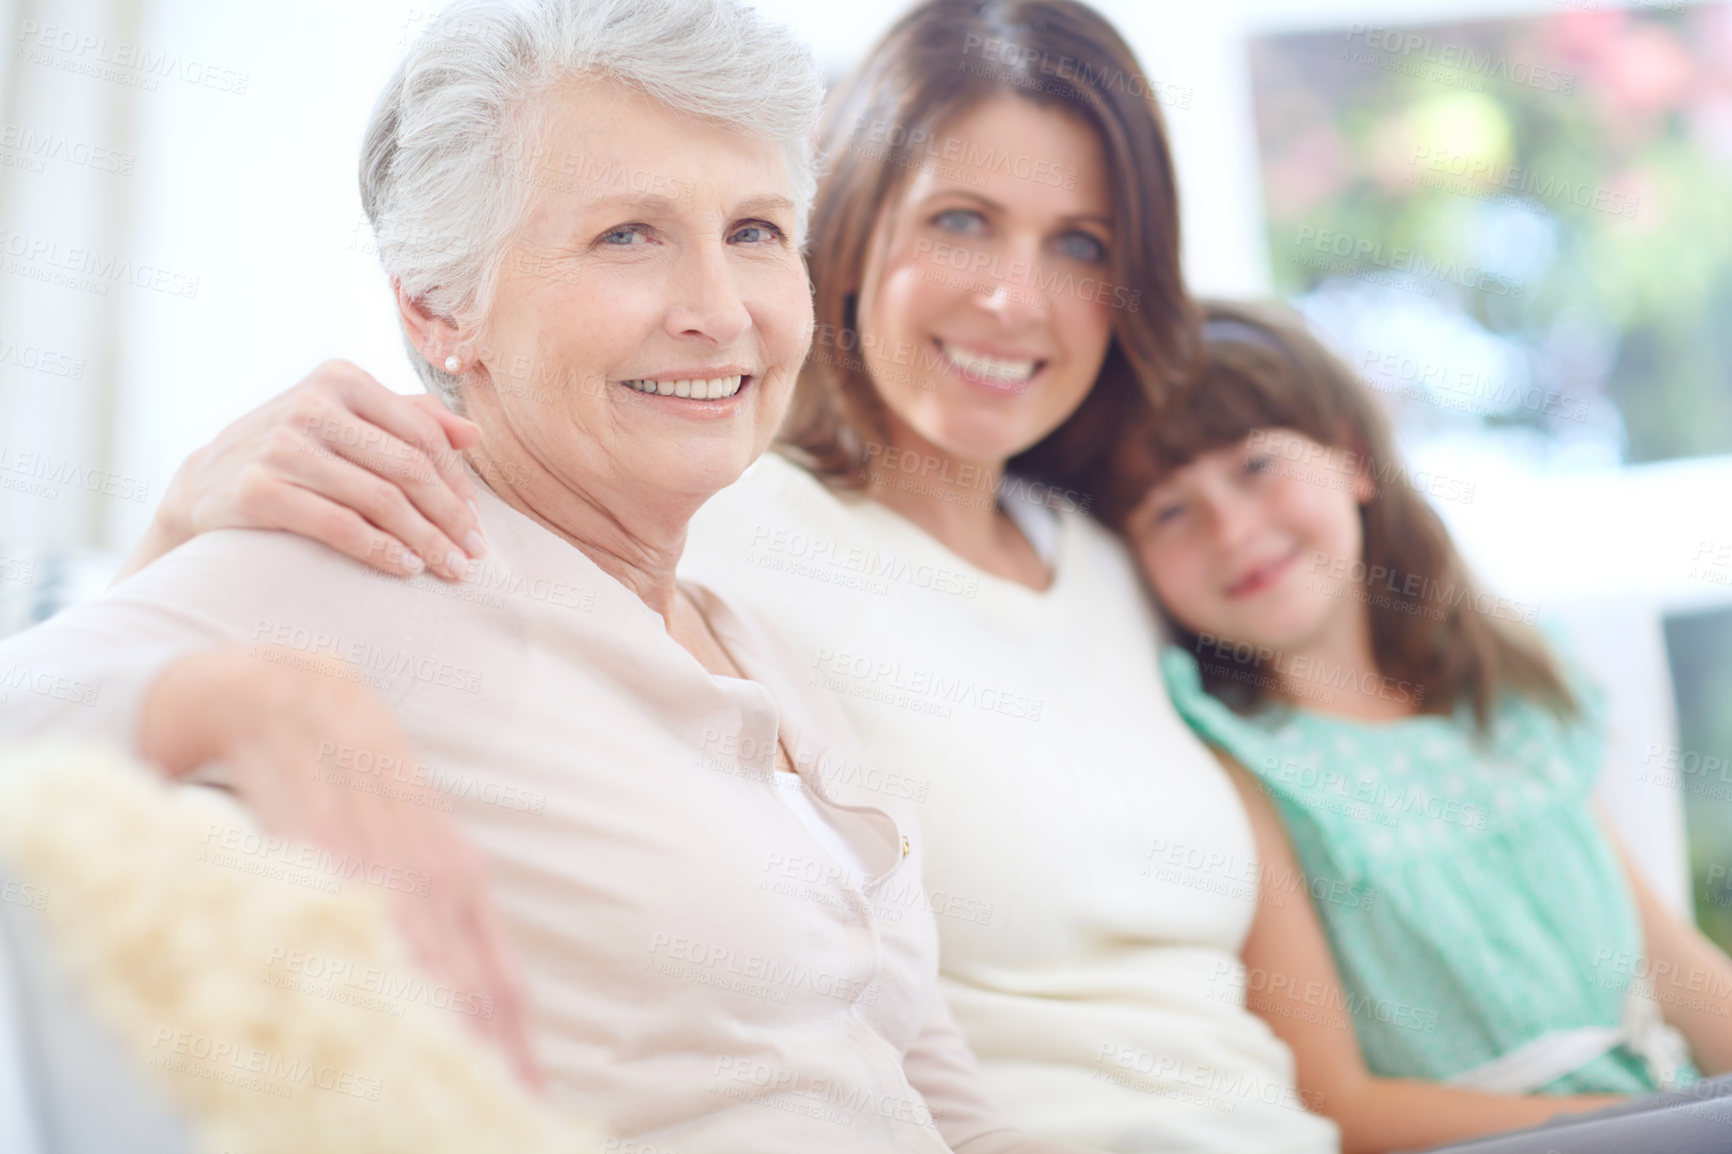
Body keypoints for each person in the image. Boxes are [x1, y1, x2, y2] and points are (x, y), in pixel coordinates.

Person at [106, 1, 1344, 1150]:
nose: (715, 307)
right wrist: (180, 578)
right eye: (627, 233)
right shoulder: (392, 547)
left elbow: (927, 1075)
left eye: (752, 230)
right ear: (437, 308)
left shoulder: (751, 632)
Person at [1098, 300, 1732, 1151]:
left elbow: (1674, 966)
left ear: (1352, 460)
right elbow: (1341, 1105)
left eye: (1255, 466)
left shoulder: (1499, 699)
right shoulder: (1248, 768)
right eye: (1168, 512)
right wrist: (1644, 1128)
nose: (1233, 529)